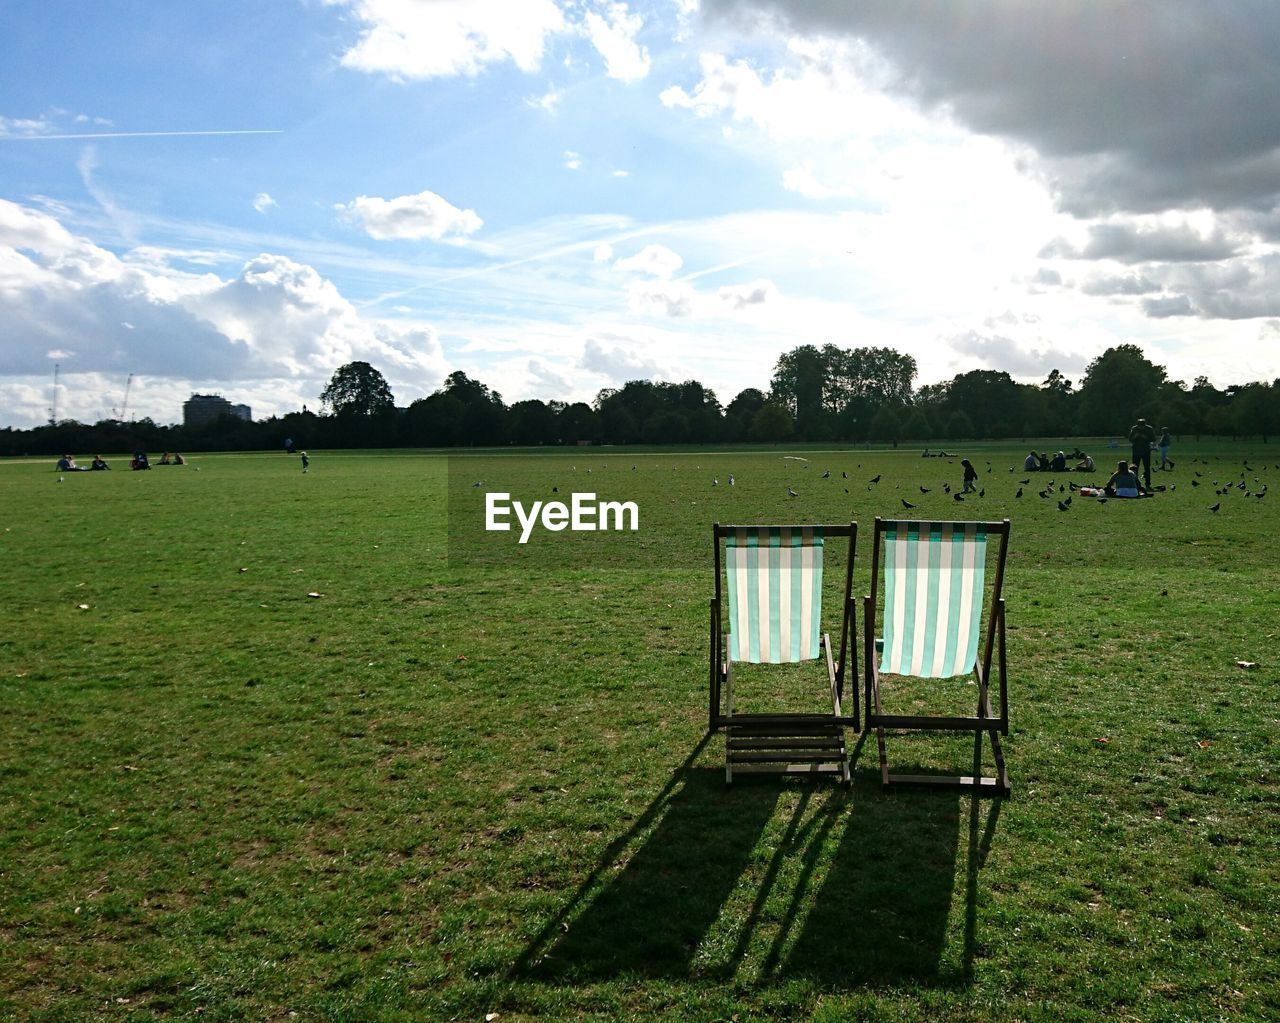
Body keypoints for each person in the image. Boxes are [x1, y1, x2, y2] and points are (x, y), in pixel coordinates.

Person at [1129, 417, 1156, 488]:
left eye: (1142, 426)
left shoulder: (1149, 429)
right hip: (1136, 451)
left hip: (1146, 451)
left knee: (1147, 468)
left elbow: (1153, 439)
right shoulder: (1134, 429)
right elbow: (1130, 439)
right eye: (1139, 426)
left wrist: (1146, 437)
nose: (1140, 428)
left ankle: (1148, 483)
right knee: (1134, 468)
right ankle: (1135, 482)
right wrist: (1135, 436)